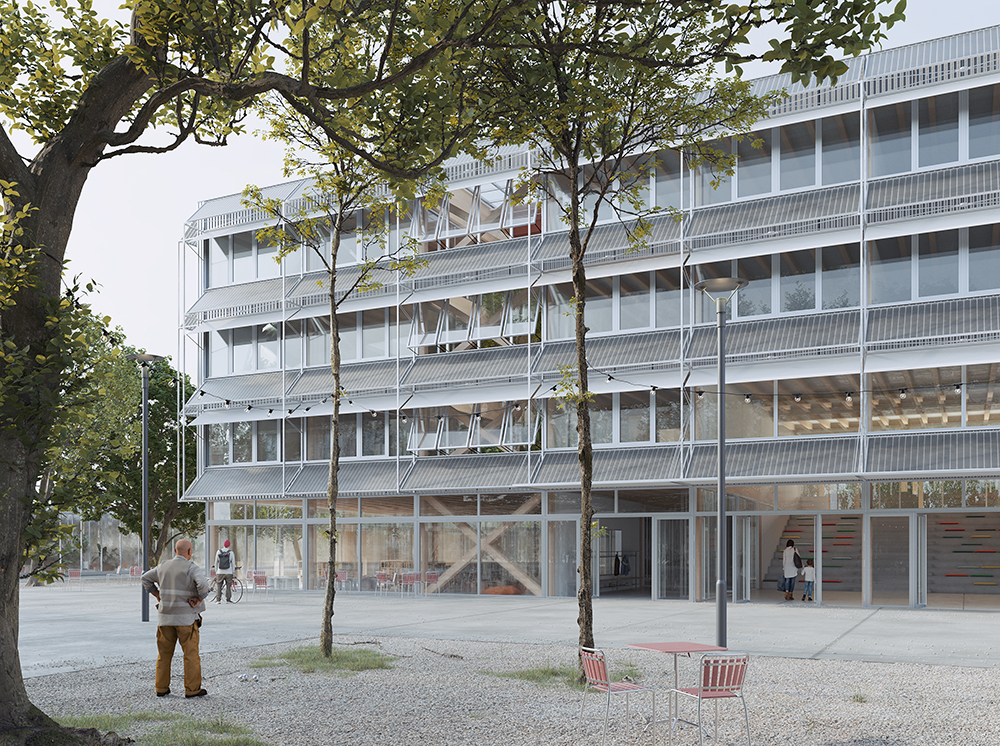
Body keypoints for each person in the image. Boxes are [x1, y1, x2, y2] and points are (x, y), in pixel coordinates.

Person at [141, 538, 211, 698]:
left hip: (164, 620)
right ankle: (192, 690)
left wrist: (157, 594)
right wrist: (199, 599)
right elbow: (203, 585)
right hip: (186, 620)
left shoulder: (162, 566)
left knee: (164, 655)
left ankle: (161, 688)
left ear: (175, 551)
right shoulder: (191, 568)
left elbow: (145, 578)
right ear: (190, 551)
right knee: (191, 655)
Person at [214, 539, 236, 604]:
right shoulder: (231, 552)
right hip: (228, 572)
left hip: (220, 572)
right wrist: (233, 572)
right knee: (228, 586)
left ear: (223, 545)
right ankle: (228, 600)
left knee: (219, 586)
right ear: (229, 545)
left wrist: (216, 571)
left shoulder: (219, 552)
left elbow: (216, 562)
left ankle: (218, 600)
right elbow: (233, 563)